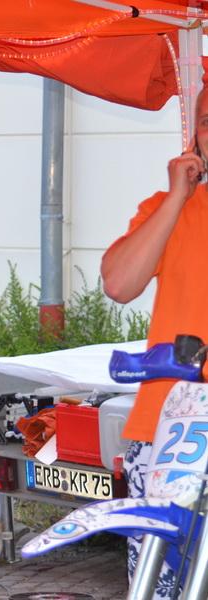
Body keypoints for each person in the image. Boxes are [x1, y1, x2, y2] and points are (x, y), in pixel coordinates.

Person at [100, 88, 208, 597]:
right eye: (207, 120)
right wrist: (176, 197)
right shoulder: (169, 208)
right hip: (169, 434)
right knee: (159, 588)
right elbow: (120, 284)